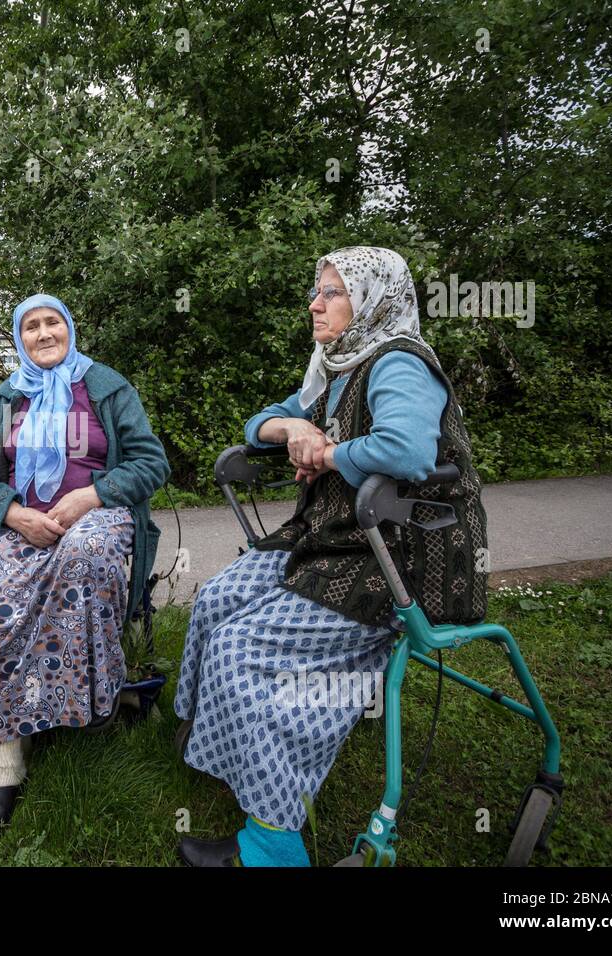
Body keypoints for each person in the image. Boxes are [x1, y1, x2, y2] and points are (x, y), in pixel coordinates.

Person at [174, 247, 487, 866]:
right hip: (334, 536)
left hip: (397, 556)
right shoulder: (335, 366)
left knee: (243, 648)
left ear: (373, 302)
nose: (316, 304)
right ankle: (203, 737)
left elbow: (407, 452)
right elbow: (258, 421)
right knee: (214, 600)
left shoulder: (397, 363)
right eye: (318, 291)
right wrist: (290, 431)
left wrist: (325, 454)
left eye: (334, 293)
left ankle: (272, 845)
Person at [0, 293, 171, 841]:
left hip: (96, 515)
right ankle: (5, 754)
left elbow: (151, 462)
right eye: (31, 326)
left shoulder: (106, 387)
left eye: (53, 322)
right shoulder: (6, 399)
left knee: (82, 558)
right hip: (26, 520)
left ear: (69, 329)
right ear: (19, 337)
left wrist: (92, 496)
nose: (44, 333)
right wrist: (14, 513)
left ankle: (90, 702)